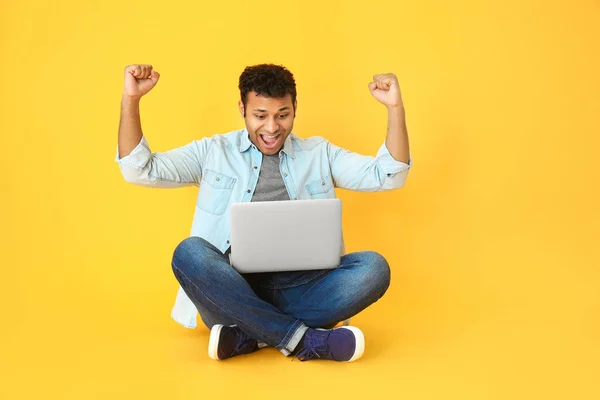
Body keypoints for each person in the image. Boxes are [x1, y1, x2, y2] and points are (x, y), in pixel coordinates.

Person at [115, 63, 412, 362]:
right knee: (188, 252)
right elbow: (138, 170)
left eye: (282, 115)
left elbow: (389, 175)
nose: (272, 128)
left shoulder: (320, 153)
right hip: (230, 288)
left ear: (295, 108)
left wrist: (395, 107)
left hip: (303, 287)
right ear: (242, 108)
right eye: (260, 116)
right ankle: (305, 340)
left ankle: (250, 334)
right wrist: (132, 99)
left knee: (374, 267)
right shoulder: (213, 152)